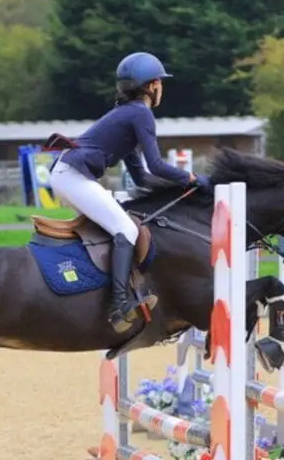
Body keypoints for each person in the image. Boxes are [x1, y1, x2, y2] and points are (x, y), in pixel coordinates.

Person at [49, 51, 211, 333]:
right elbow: (158, 166)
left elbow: (141, 177)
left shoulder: (127, 114)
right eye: (160, 82)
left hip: (68, 173)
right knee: (126, 229)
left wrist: (179, 189)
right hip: (72, 176)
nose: (162, 88)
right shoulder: (141, 114)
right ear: (150, 86)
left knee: (118, 224)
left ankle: (101, 290)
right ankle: (119, 305)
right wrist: (191, 177)